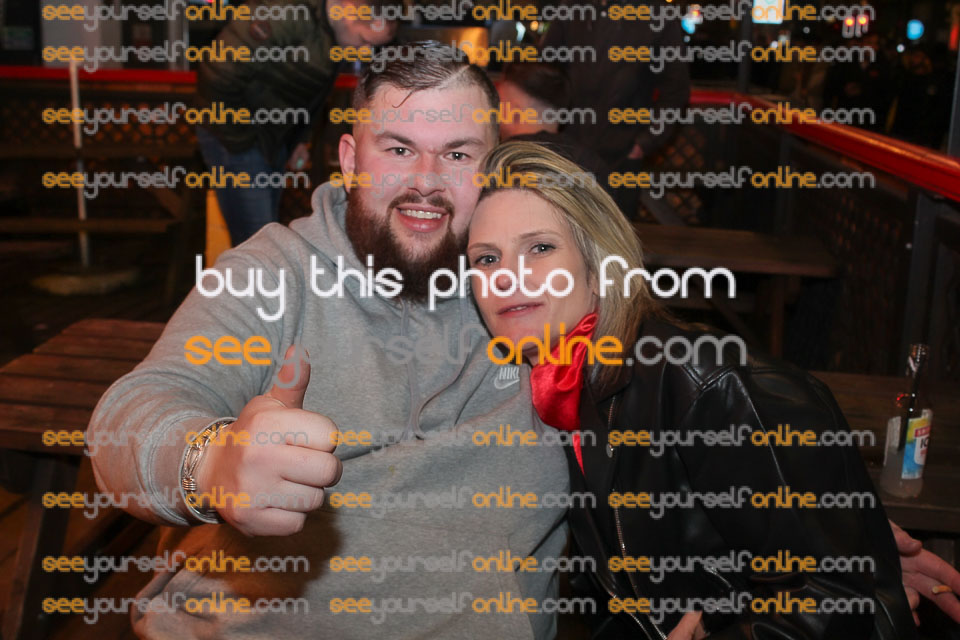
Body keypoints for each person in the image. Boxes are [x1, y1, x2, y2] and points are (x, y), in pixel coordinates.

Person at [89, 44, 570, 639]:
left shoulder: (535, 283)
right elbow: (130, 416)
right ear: (349, 159)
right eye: (398, 149)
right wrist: (210, 463)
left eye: (457, 154)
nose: (426, 181)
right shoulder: (273, 273)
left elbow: (654, 400)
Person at [465, 141, 926, 638]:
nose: (506, 277)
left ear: (598, 266)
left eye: (540, 248)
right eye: (487, 259)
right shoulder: (567, 385)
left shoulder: (704, 384)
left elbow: (832, 600)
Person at [194, 0, 398, 245]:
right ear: (348, 10)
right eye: (364, 40)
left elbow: (313, 96)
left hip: (269, 138)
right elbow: (218, 75)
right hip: (234, 135)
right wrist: (242, 143)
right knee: (258, 242)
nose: (365, 52)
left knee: (263, 234)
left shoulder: (333, 35)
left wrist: (300, 140)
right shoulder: (286, 13)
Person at [540, 0, 690, 218]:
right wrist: (549, 131)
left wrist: (645, 142)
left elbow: (676, 89)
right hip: (568, 151)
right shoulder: (571, 8)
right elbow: (546, 71)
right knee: (565, 228)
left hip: (621, 158)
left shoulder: (657, 13)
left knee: (615, 234)